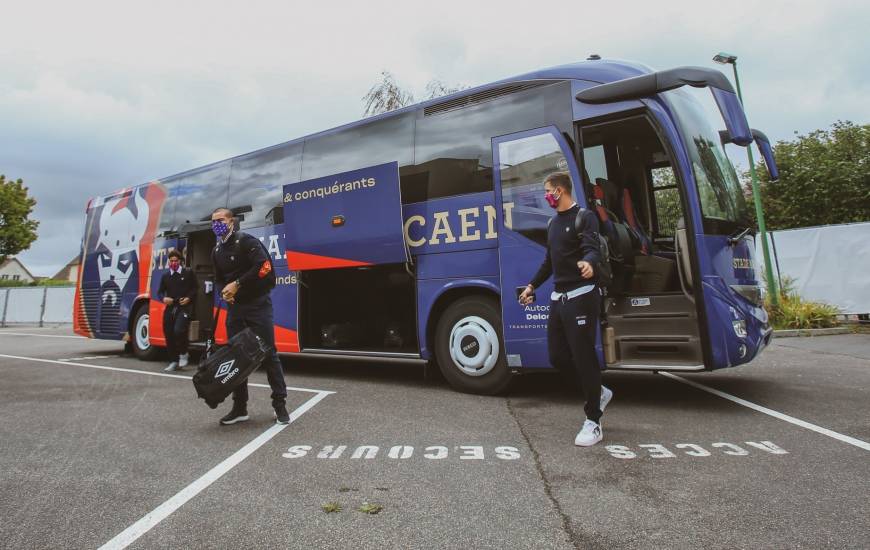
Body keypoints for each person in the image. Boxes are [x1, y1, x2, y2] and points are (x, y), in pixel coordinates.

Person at [518, 172, 613, 446]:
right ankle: (599, 391)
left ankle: (593, 420)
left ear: (560, 191)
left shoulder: (585, 217)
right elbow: (550, 261)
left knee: (583, 357)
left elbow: (592, 248)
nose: (546, 195)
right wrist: (532, 286)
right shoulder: (552, 223)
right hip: (559, 298)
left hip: (582, 295)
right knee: (558, 356)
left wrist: (589, 263)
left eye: (548, 191)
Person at [210, 207, 289, 426]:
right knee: (236, 356)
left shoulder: (246, 242)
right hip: (236, 309)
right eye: (213, 221)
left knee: (269, 353)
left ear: (231, 221)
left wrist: (237, 284)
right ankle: (240, 407)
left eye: (221, 220)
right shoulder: (216, 251)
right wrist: (224, 291)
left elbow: (263, 267)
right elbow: (218, 279)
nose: (217, 224)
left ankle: (280, 405)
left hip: (258, 305)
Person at [157, 249, 197, 372]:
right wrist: (164, 298)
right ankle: (173, 361)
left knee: (178, 330)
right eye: (171, 261)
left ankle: (184, 353)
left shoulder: (188, 273)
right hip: (171, 307)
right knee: (168, 332)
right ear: (169, 262)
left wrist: (189, 298)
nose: (173, 263)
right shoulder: (166, 276)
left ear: (180, 261)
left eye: (176, 260)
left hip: (184, 307)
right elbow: (159, 292)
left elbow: (195, 288)